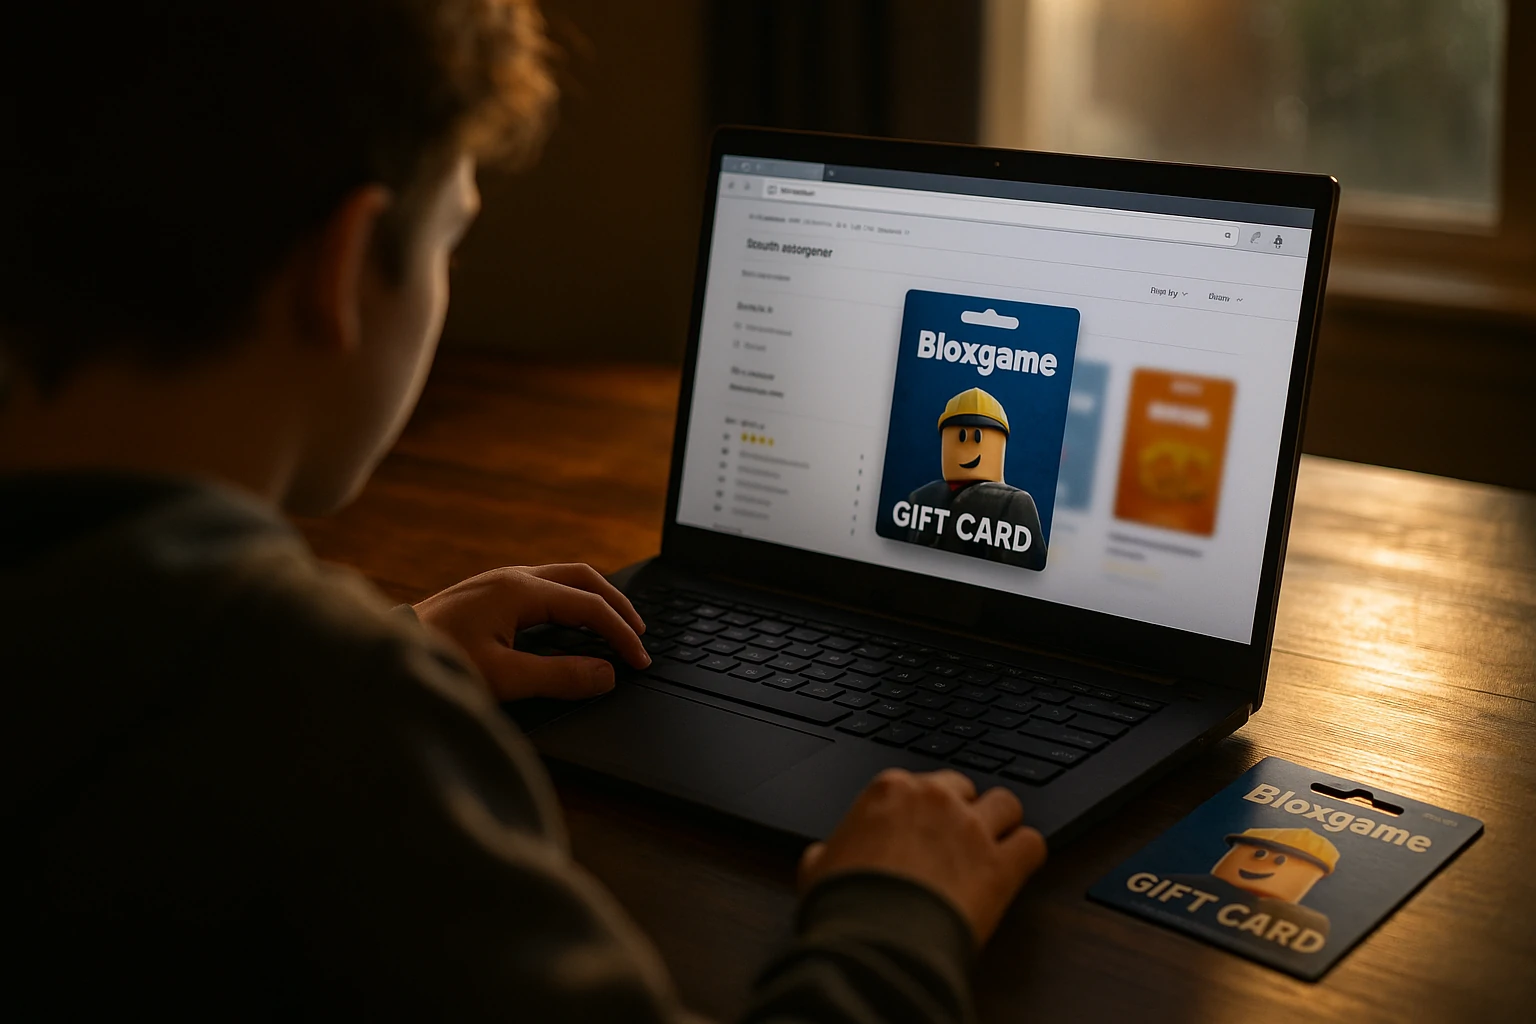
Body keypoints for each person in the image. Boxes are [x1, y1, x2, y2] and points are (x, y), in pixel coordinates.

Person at [0, 2, 1047, 1018]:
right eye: (455, 237)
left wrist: (402, 639)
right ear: (344, 266)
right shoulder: (331, 716)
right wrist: (894, 915)